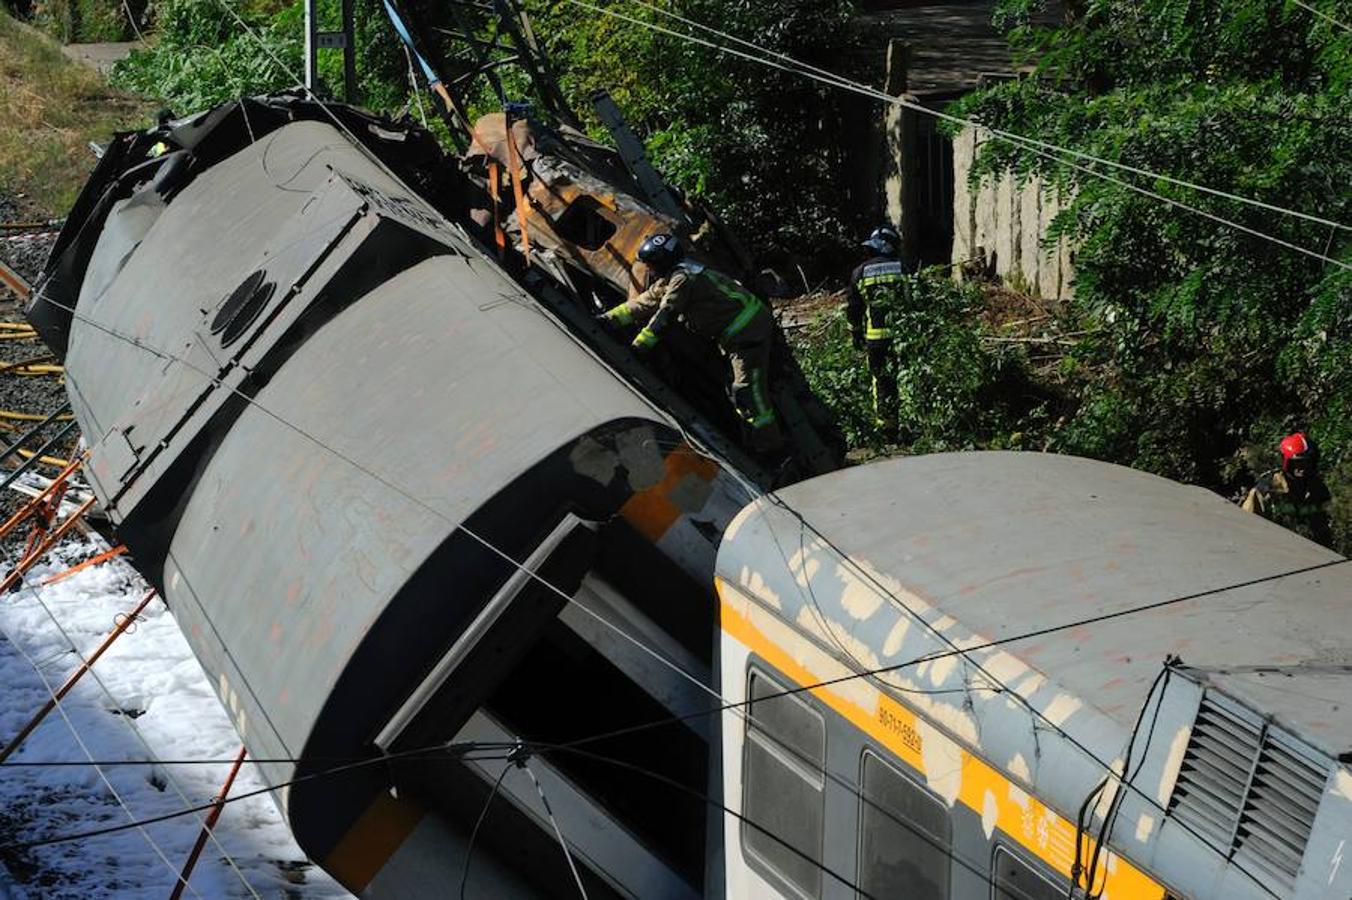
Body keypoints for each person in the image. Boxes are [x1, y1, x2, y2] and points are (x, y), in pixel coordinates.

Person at [600, 234, 784, 452]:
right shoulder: (674, 277)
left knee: (746, 391)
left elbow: (666, 314)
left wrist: (639, 347)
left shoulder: (683, 278)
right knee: (737, 391)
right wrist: (606, 320)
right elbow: (641, 304)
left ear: (661, 263)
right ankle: (759, 440)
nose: (648, 269)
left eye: (650, 264)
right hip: (739, 333)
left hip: (747, 332)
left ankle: (770, 448)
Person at [847, 225, 914, 438]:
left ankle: (887, 429)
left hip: (875, 340)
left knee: (882, 381)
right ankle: (913, 422)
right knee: (907, 378)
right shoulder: (905, 268)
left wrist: (855, 334)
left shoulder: (859, 272)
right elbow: (916, 301)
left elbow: (854, 309)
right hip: (904, 337)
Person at [1242, 431, 1333, 548]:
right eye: (1298, 463)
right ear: (1286, 463)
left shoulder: (1318, 490)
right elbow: (1245, 527)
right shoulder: (1266, 491)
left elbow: (1324, 528)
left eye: (1307, 463)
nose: (1302, 469)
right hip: (1272, 550)